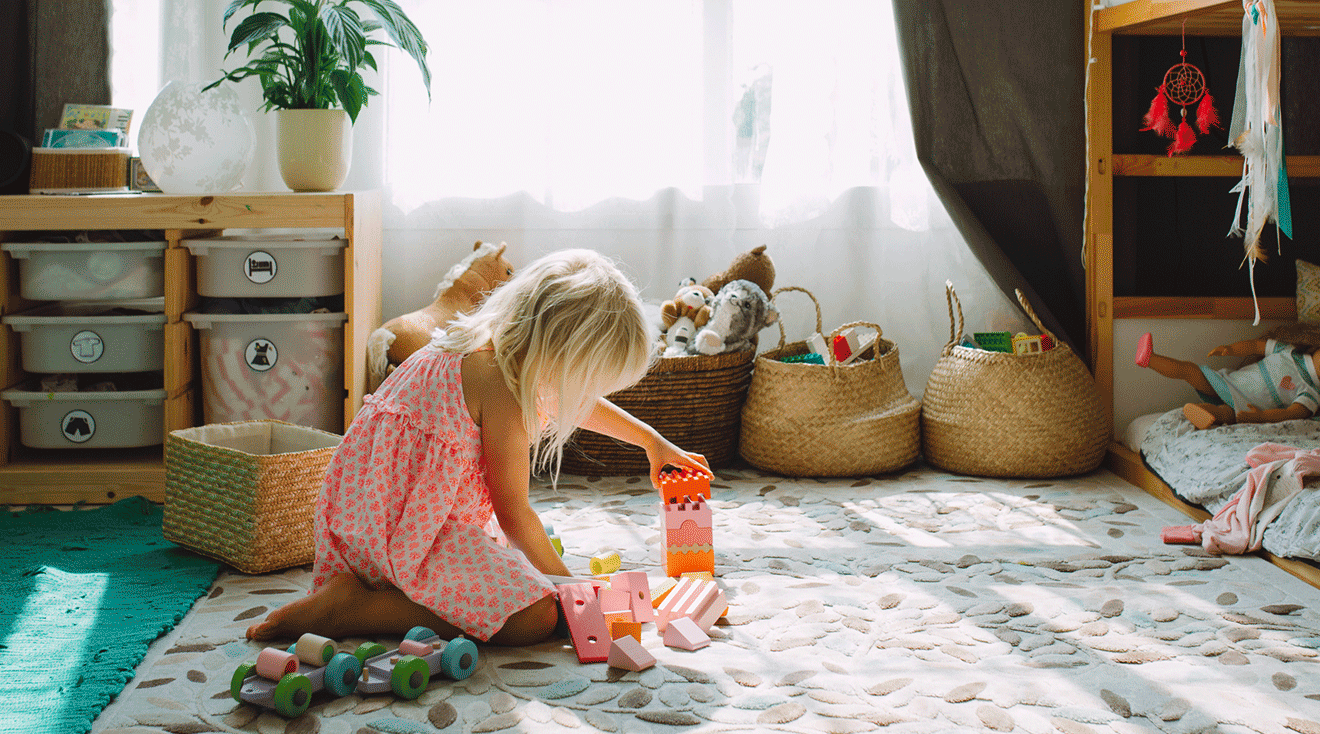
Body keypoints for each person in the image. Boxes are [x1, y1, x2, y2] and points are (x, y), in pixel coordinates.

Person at [246, 249, 711, 646]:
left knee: (522, 575)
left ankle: (374, 589)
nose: (575, 396)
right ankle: (357, 611)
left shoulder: (484, 346)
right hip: (402, 533)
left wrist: (652, 441)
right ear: (556, 351)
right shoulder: (499, 385)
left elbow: (575, 404)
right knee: (537, 616)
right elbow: (514, 513)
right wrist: (572, 591)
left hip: (359, 516)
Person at [1135, 324, 1320, 429]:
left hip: (1246, 408)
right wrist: (1231, 349)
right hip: (1229, 383)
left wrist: (1260, 416)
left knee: (1226, 414)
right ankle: (1150, 359)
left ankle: (1202, 413)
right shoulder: (1288, 351)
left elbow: (1289, 414)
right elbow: (1256, 346)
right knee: (1191, 371)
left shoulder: (1311, 394)